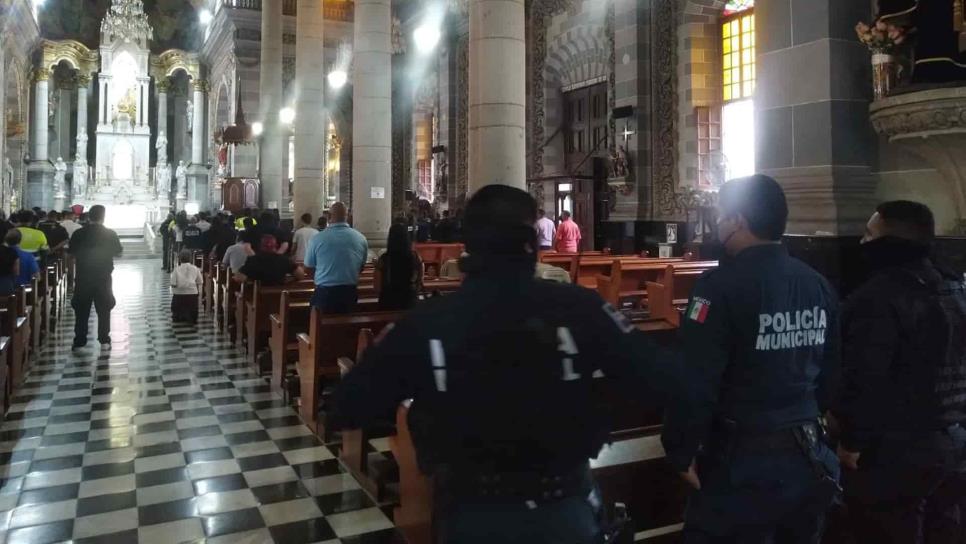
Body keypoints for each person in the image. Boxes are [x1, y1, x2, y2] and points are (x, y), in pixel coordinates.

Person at [329, 185, 666, 544]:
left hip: (474, 514)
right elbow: (659, 377)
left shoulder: (429, 322)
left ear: (467, 245)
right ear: (532, 241)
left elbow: (348, 405)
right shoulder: (580, 308)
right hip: (564, 509)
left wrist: (398, 372)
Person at [661, 175, 841, 543]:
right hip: (807, 451)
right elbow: (832, 367)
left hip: (740, 462)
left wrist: (679, 448)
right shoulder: (817, 283)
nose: (717, 223)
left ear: (737, 220)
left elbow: (696, 379)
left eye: (720, 215)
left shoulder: (718, 286)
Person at [833, 201, 966, 544]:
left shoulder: (876, 298)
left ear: (891, 243)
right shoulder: (954, 287)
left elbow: (865, 376)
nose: (863, 242)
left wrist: (851, 441)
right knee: (945, 529)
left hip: (896, 451)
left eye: (870, 234)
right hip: (952, 441)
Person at [69, 205, 123, 350]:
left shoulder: (79, 233)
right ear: (103, 217)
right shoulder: (110, 234)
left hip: (83, 276)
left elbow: (71, 252)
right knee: (104, 308)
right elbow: (118, 252)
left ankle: (80, 340)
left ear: (88, 217)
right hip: (103, 277)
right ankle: (104, 340)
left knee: (81, 309)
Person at [303, 202, 368, 314]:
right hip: (350, 292)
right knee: (347, 327)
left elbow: (308, 268)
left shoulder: (317, 239)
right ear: (348, 216)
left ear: (328, 216)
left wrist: (323, 277)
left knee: (319, 327)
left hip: (324, 293)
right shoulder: (361, 238)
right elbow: (361, 267)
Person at [375, 223, 423, 310]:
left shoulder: (384, 259)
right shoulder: (415, 257)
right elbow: (419, 283)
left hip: (388, 302)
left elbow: (377, 287)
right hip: (409, 301)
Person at [234, 235, 304, 286]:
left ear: (260, 246)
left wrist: (250, 282)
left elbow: (239, 278)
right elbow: (300, 274)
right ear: (276, 246)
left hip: (258, 299)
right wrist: (289, 280)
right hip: (279, 298)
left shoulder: (253, 260)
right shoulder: (284, 260)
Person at [170, 249, 203, 324]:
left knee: (176, 301)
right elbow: (200, 281)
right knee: (192, 306)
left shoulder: (176, 269)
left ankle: (178, 316)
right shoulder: (195, 268)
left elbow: (173, 283)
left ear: (180, 258)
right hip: (192, 294)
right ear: (190, 258)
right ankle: (192, 317)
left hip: (179, 295)